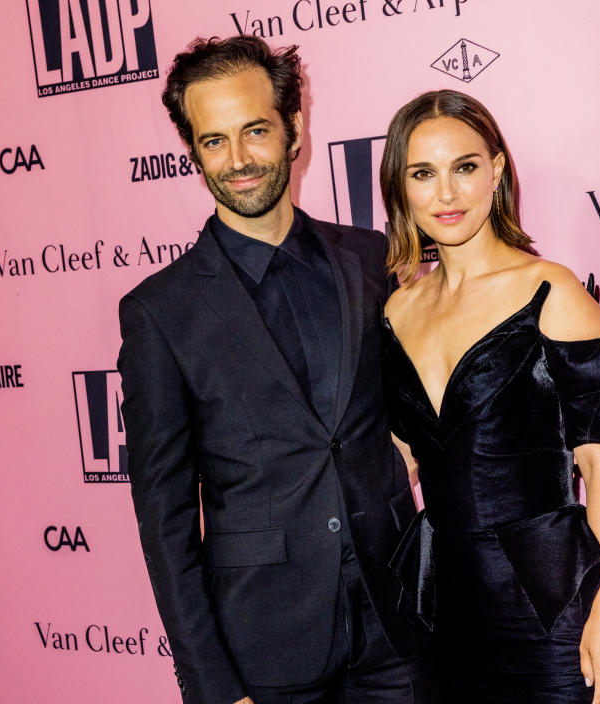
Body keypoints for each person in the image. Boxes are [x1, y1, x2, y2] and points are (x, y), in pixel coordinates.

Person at [117, 36, 434, 704]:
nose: (237, 161)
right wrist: (209, 683)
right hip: (264, 650)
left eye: (255, 131)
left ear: (295, 130)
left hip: (397, 626)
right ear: (193, 151)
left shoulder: (368, 259)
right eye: (214, 141)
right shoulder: (161, 312)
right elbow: (165, 518)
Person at [379, 90, 600, 704]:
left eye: (464, 167)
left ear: (496, 171)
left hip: (553, 602)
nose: (447, 194)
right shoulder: (396, 308)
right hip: (449, 606)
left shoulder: (550, 291)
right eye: (423, 174)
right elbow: (404, 455)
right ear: (400, 188)